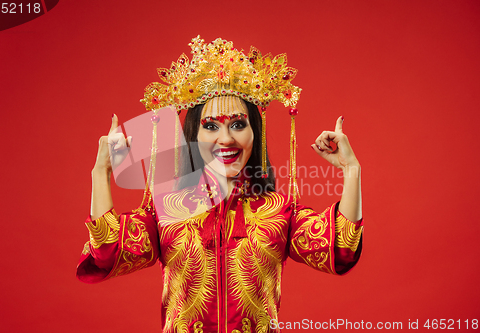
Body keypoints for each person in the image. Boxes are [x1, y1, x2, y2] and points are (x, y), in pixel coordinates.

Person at [77, 37, 363, 333]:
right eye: (211, 126)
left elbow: (341, 248)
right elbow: (107, 252)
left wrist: (351, 170)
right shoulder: (166, 211)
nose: (226, 139)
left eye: (238, 125)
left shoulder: (279, 212)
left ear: (256, 133)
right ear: (193, 135)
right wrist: (101, 173)